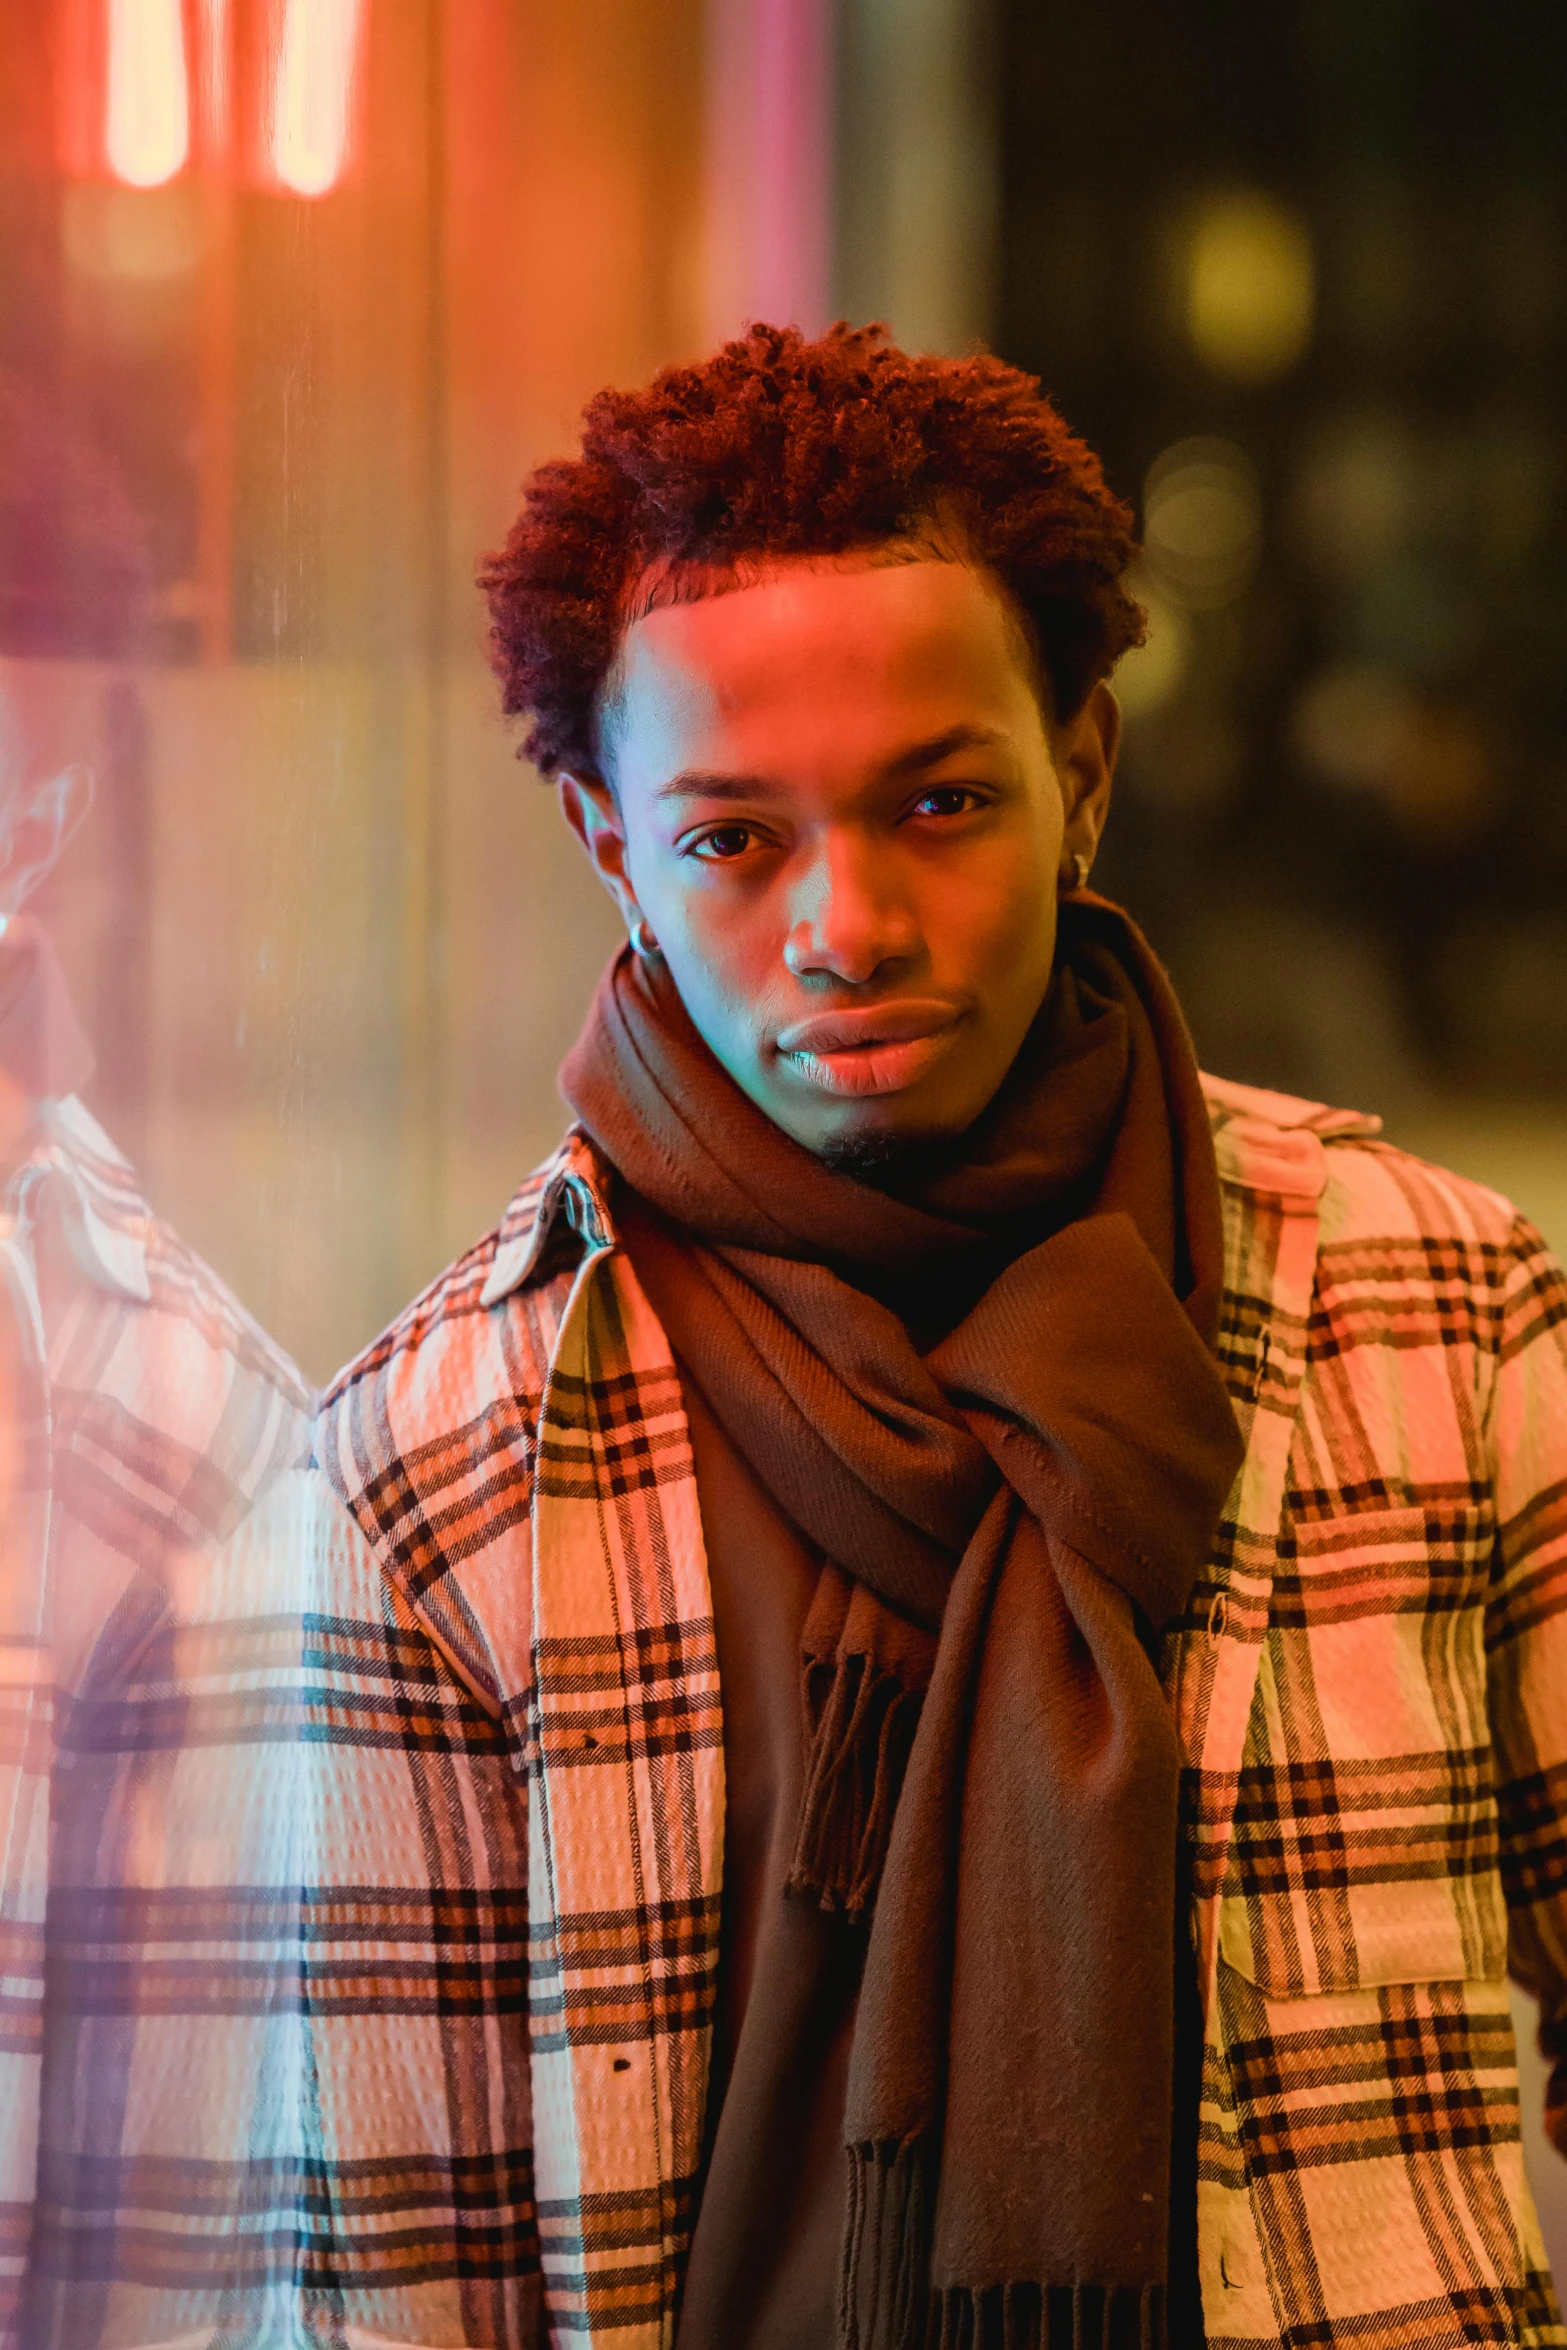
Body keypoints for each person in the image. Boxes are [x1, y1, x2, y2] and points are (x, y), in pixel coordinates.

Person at [306, 323, 1563, 2350]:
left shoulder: (1442, 1317)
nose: (851, 927)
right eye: (735, 838)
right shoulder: (440, 1450)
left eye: (942, 801)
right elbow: (395, 2265)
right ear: (613, 847)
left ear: (1083, 775)